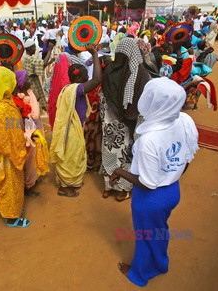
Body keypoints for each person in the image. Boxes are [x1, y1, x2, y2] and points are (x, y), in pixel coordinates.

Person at [110, 77, 199, 287]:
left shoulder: (148, 140)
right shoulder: (184, 120)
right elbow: (187, 157)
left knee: (145, 236)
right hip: (172, 191)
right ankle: (160, 263)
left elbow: (148, 183)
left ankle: (139, 274)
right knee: (160, 230)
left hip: (150, 199)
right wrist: (172, 173)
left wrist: (118, 171)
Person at [100, 38, 151, 201]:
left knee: (120, 154)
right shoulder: (112, 70)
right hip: (116, 122)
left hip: (124, 122)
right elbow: (103, 95)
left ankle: (122, 186)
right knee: (115, 154)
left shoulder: (141, 74)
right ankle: (112, 185)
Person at [49, 44, 102, 197]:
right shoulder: (76, 89)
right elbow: (97, 79)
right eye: (86, 77)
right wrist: (95, 54)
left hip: (75, 128)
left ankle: (71, 181)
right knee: (70, 157)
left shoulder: (72, 88)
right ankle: (64, 187)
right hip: (71, 130)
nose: (88, 80)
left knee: (75, 155)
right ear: (79, 78)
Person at [0, 67, 31, 228]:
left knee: (11, 184)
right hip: (7, 156)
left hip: (0, 154)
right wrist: (24, 141)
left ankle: (14, 209)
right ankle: (11, 217)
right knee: (10, 184)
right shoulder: (4, 108)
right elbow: (9, 135)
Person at [21, 39, 50, 111]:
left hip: (33, 81)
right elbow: (43, 64)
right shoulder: (28, 58)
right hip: (31, 83)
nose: (35, 49)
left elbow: (40, 66)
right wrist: (50, 50)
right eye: (33, 47)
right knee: (35, 102)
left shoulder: (27, 57)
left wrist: (51, 61)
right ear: (29, 49)